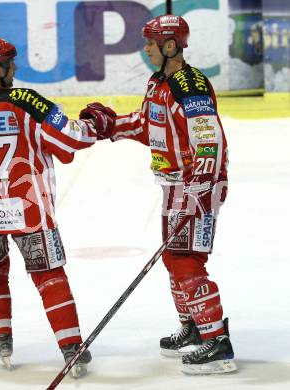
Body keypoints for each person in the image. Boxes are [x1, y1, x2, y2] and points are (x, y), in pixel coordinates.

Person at [0, 37, 113, 377]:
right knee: (49, 275)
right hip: (27, 210)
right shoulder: (24, 100)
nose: (15, 69)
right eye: (11, 63)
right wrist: (93, 123)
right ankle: (71, 347)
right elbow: (70, 139)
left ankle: (1, 339)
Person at [79, 15, 237, 375]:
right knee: (174, 260)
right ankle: (195, 325)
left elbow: (209, 140)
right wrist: (110, 125)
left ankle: (217, 343)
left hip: (197, 185)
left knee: (186, 261)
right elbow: (147, 125)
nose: (145, 48)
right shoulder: (158, 83)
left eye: (151, 42)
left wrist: (201, 187)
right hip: (172, 184)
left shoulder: (190, 85)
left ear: (169, 46)